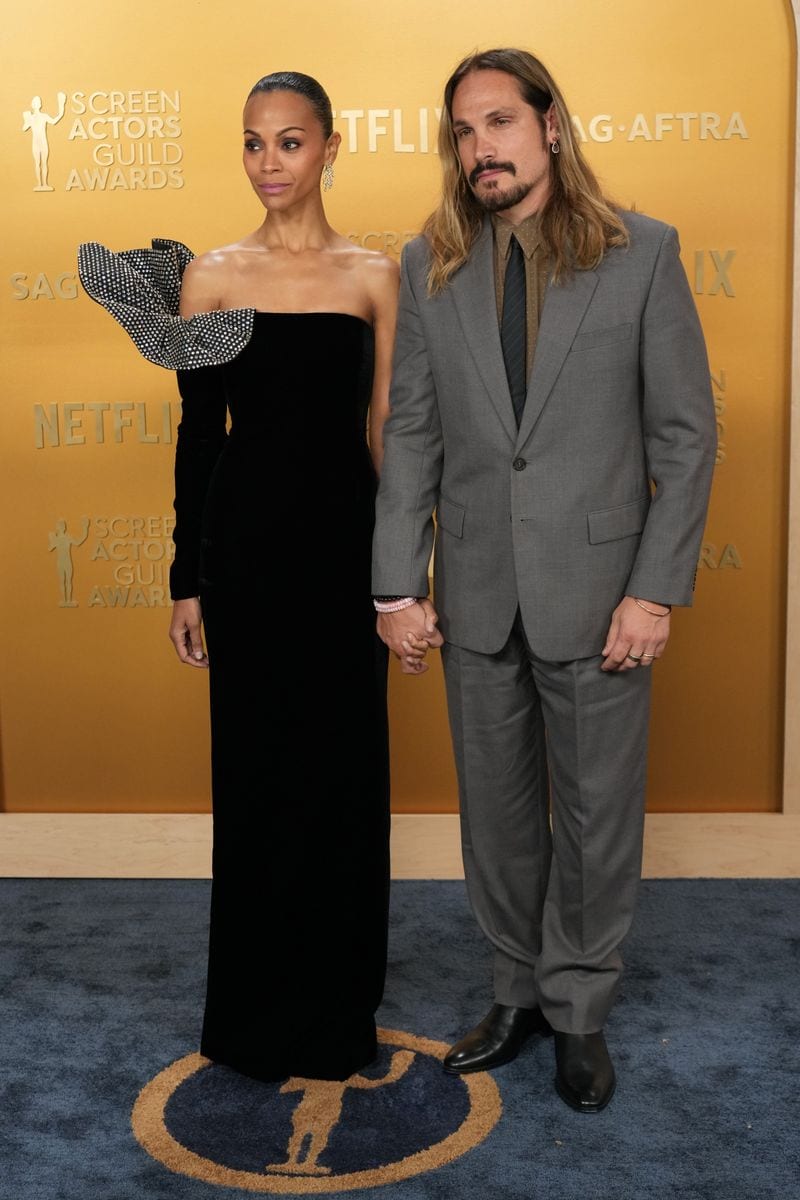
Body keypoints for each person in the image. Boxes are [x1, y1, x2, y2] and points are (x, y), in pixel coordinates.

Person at [372, 48, 716, 1112]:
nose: (480, 148)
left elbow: (685, 437)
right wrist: (396, 586)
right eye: (463, 133)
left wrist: (652, 591)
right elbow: (413, 432)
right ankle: (514, 993)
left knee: (598, 817)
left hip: (604, 594)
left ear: (549, 127)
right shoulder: (426, 263)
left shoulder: (641, 253)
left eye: (498, 124)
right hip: (474, 592)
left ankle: (578, 1010)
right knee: (499, 820)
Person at [79, 71, 398, 1082]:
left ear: (331, 147)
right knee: (256, 780)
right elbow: (197, 438)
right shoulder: (208, 278)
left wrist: (405, 570)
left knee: (343, 781)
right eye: (254, 144)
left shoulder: (373, 276)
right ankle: (256, 1019)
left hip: (347, 555)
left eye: (290, 143)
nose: (270, 164)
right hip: (247, 555)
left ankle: (338, 1013)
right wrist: (187, 578)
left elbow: (388, 432)